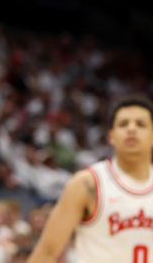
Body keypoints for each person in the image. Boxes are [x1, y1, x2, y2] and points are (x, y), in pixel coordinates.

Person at [28, 96, 153, 263]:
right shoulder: (87, 183)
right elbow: (46, 253)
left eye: (141, 124)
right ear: (111, 136)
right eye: (123, 124)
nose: (131, 129)